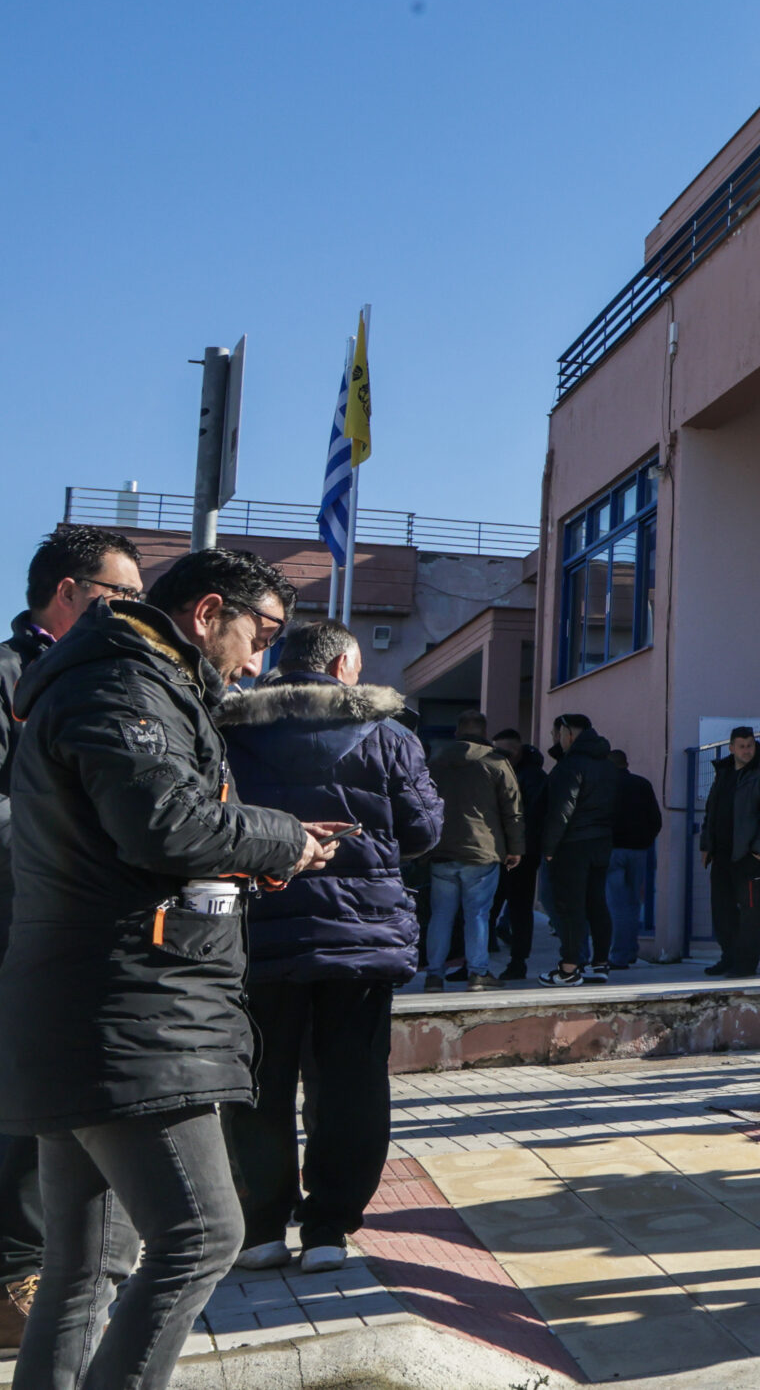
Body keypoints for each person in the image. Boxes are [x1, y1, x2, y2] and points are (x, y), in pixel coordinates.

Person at [0, 547, 336, 1390]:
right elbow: (164, 824)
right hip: (129, 1010)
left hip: (99, 1007)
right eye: (259, 635)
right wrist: (281, 836)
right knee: (203, 1235)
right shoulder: (122, 685)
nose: (257, 662)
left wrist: (268, 845)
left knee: (86, 1266)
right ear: (207, 611)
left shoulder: (124, 681)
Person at [217, 618, 443, 1272]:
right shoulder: (390, 736)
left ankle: (261, 1228)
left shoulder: (229, 732)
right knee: (351, 1083)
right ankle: (327, 1229)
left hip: (258, 930)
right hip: (359, 938)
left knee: (258, 1081)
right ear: (343, 666)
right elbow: (424, 829)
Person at [0, 526, 142, 1345]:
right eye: (123, 595)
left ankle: (43, 1265)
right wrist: (75, 830)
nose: (134, 612)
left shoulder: (108, 680)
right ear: (68, 592)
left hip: (74, 923)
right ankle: (17, 1272)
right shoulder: (11, 674)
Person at [422, 709, 522, 990]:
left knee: (440, 916)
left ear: (457, 731)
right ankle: (478, 973)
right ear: (485, 733)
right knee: (477, 914)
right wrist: (516, 848)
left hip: (442, 849)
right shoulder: (496, 762)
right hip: (482, 850)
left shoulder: (436, 762)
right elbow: (512, 809)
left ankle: (433, 975)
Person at [539, 714, 620, 986]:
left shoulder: (571, 765)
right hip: (601, 842)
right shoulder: (607, 765)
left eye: (558, 734)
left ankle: (569, 968)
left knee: (570, 907)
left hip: (572, 844)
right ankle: (600, 963)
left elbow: (562, 809)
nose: (557, 739)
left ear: (568, 733)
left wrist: (549, 847)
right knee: (597, 903)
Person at [702, 727, 760, 978]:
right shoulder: (724, 773)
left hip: (749, 858)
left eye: (750, 745)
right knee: (722, 911)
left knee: (751, 913)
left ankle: (745, 964)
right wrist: (706, 846)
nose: (746, 751)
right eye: (741, 746)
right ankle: (728, 957)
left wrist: (759, 852)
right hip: (722, 856)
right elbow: (711, 811)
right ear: (731, 748)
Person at [488, 727, 547, 980]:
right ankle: (482, 960)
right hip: (502, 850)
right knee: (491, 906)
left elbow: (533, 816)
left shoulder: (532, 776)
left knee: (518, 908)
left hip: (522, 852)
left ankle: (518, 961)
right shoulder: (506, 771)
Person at [605, 749, 661, 970]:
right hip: (639, 851)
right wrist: (645, 840)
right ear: (626, 764)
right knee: (633, 903)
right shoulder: (642, 784)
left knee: (617, 905)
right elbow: (655, 819)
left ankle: (619, 955)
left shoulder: (606, 785)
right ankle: (630, 950)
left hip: (613, 851)